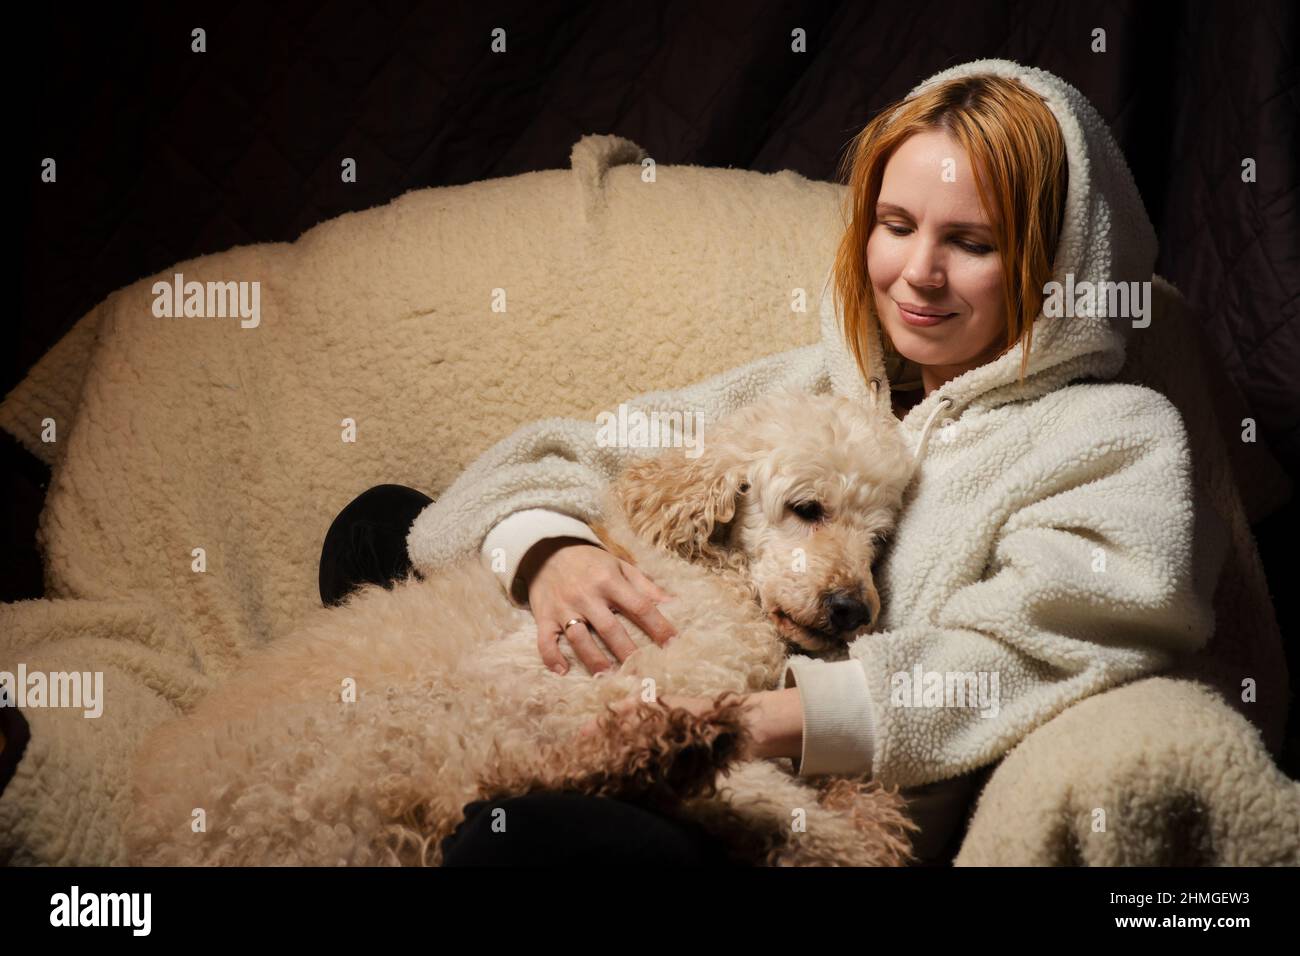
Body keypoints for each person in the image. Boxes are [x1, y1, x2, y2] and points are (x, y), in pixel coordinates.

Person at [321, 59, 1221, 866]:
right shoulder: (813, 381)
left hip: (779, 783)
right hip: (645, 686)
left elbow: (1038, 650)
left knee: (524, 842)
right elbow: (590, 449)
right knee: (383, 522)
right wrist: (556, 554)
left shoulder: (1109, 435)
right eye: (896, 225)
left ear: (1053, 262)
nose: (919, 273)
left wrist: (744, 727)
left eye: (972, 243)